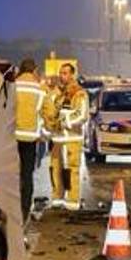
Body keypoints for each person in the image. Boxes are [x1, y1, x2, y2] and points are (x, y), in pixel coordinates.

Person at [48, 63, 88, 211]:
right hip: (58, 138)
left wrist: (65, 121)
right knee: (55, 169)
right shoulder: (57, 93)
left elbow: (83, 115)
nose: (61, 76)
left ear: (72, 75)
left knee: (72, 169)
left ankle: (72, 201)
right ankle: (57, 198)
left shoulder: (79, 93)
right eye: (60, 73)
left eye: (65, 73)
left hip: (72, 138)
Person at [13, 58, 47, 222]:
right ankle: (25, 207)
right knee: (27, 175)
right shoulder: (40, 88)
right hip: (31, 137)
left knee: (12, 173)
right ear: (34, 70)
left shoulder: (13, 86)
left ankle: (10, 204)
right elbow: (44, 113)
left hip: (12, 137)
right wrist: (44, 133)